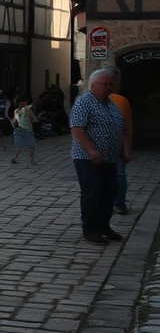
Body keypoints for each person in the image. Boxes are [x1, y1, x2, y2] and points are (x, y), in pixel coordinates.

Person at [70, 68, 131, 245]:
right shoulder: (84, 102)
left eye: (111, 84)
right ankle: (90, 229)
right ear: (94, 84)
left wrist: (125, 148)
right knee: (92, 193)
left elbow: (122, 126)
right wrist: (91, 150)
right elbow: (77, 128)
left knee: (109, 192)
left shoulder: (110, 104)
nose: (109, 87)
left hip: (110, 158)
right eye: (105, 84)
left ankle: (104, 226)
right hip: (87, 158)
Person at [106, 66, 133, 216]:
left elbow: (128, 125)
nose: (110, 85)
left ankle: (119, 202)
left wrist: (127, 147)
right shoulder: (91, 99)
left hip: (118, 145)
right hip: (99, 148)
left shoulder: (121, 101)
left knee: (119, 174)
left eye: (114, 81)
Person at [10, 93, 39, 165]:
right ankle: (15, 158)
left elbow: (32, 116)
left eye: (24, 104)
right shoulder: (16, 111)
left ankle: (31, 159)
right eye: (21, 104)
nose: (22, 106)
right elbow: (15, 118)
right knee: (19, 146)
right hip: (18, 130)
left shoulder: (27, 110)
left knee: (31, 145)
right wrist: (14, 122)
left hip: (27, 130)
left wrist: (35, 119)